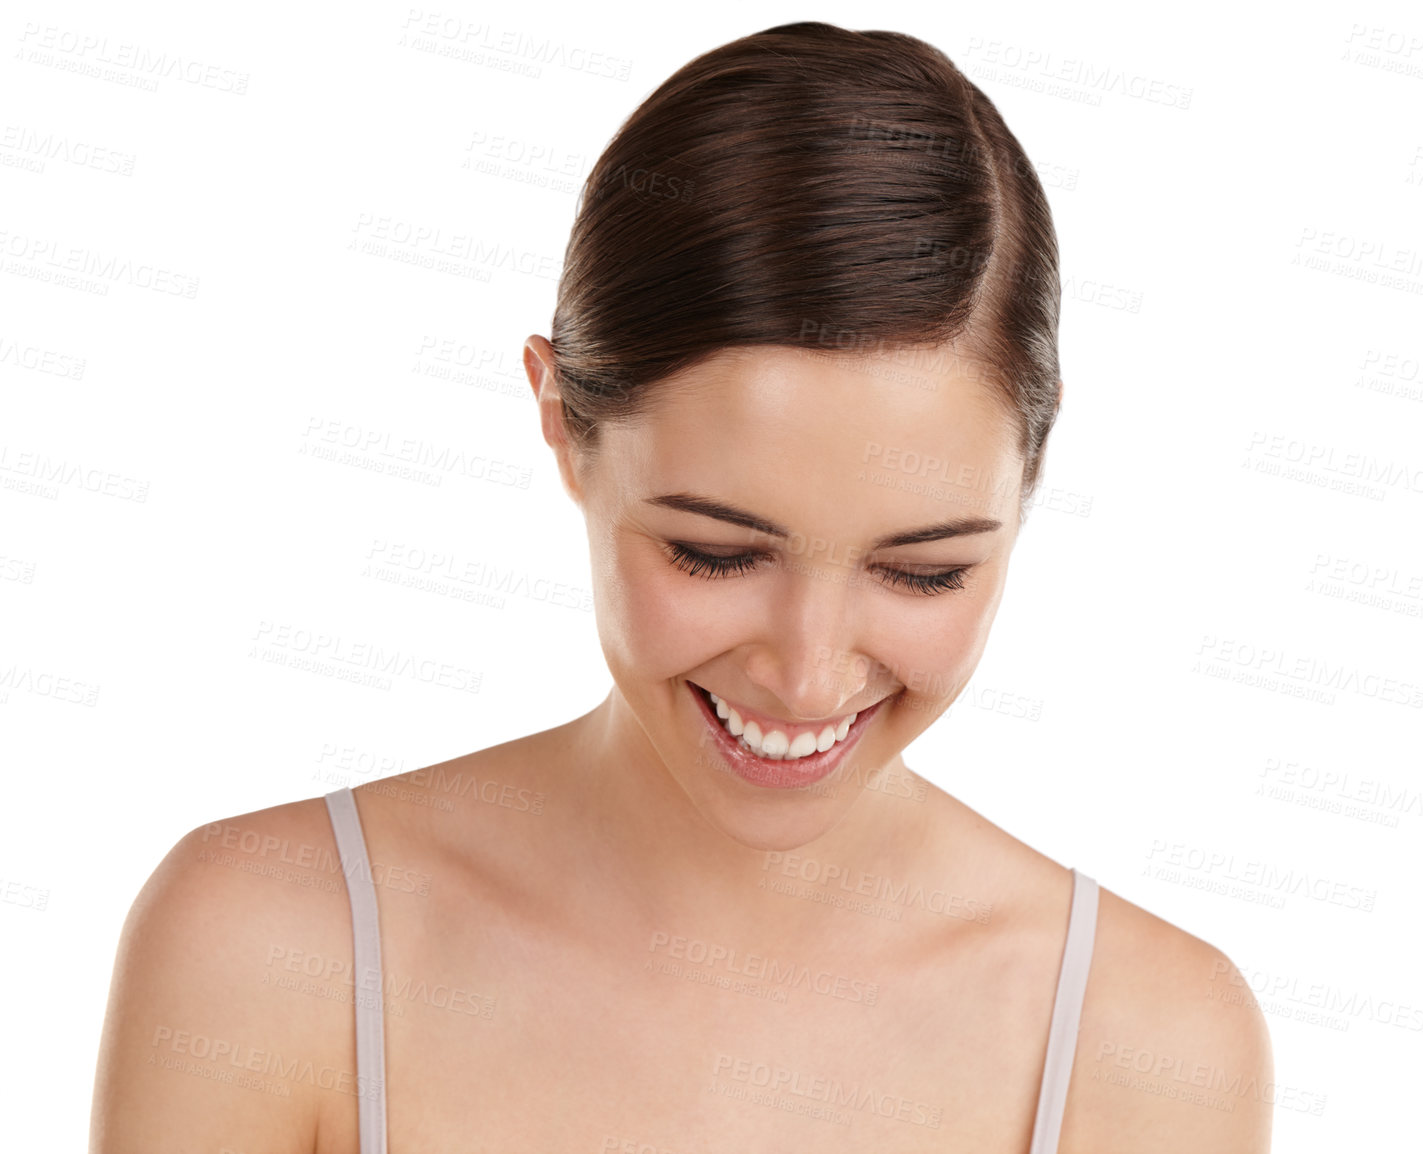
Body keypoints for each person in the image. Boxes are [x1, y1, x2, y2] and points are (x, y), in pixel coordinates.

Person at [90, 21, 1272, 1152]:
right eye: (716, 552)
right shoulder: (269, 948)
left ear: (1032, 482)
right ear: (561, 424)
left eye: (922, 569)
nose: (808, 671)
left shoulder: (1150, 1040)